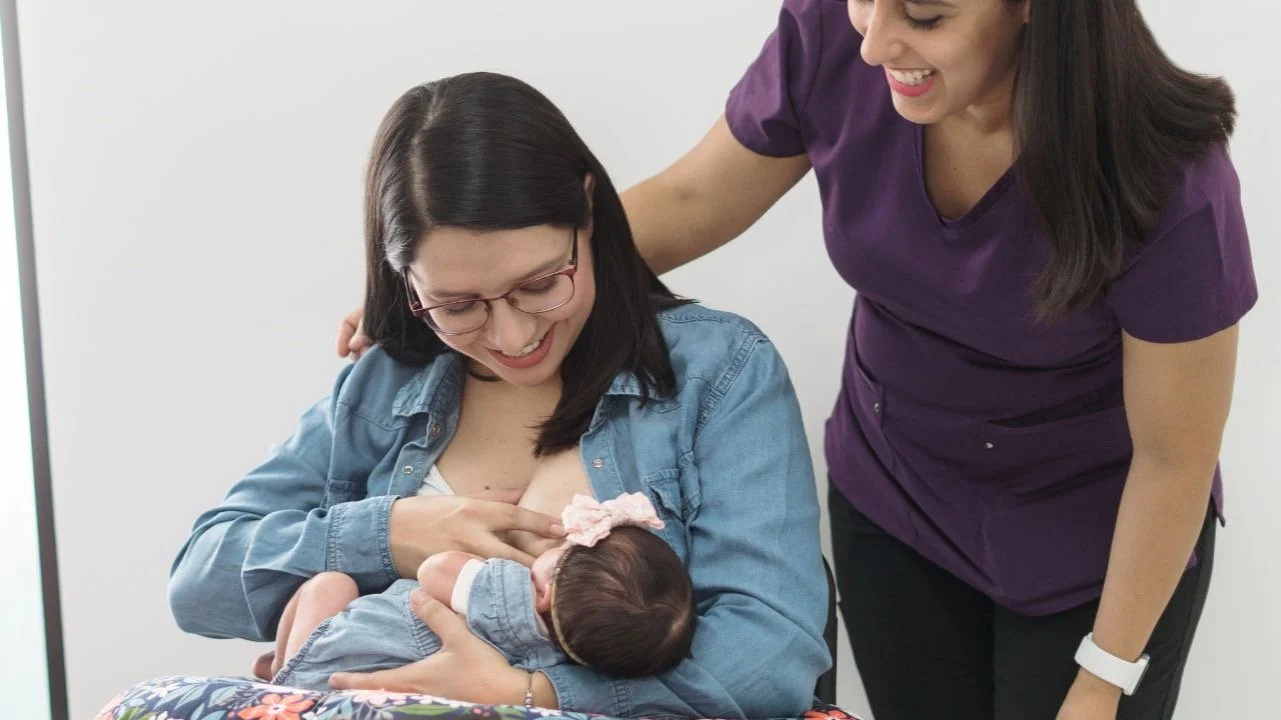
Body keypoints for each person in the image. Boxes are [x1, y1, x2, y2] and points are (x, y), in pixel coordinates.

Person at [335, 2, 1258, 719]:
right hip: (898, 503)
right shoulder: (834, 38)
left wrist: (1101, 681)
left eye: (925, 17)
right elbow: (695, 198)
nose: (874, 44)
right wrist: (483, 286)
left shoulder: (1167, 180)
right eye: (867, 3)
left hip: (1094, 539)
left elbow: (1173, 457)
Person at [169, 71, 830, 719]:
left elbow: (770, 658)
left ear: (588, 210)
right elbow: (199, 583)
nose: (512, 336)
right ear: (407, 287)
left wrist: (528, 698)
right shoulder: (382, 385)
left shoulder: (716, 372)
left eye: (541, 283)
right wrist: (392, 533)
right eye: (457, 306)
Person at [256, 492, 694, 693]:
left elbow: (435, 570)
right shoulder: (558, 655)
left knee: (330, 585)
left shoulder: (507, 593)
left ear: (544, 594)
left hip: (337, 662)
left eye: (563, 551)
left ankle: (284, 672)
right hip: (373, 682)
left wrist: (488, 566)